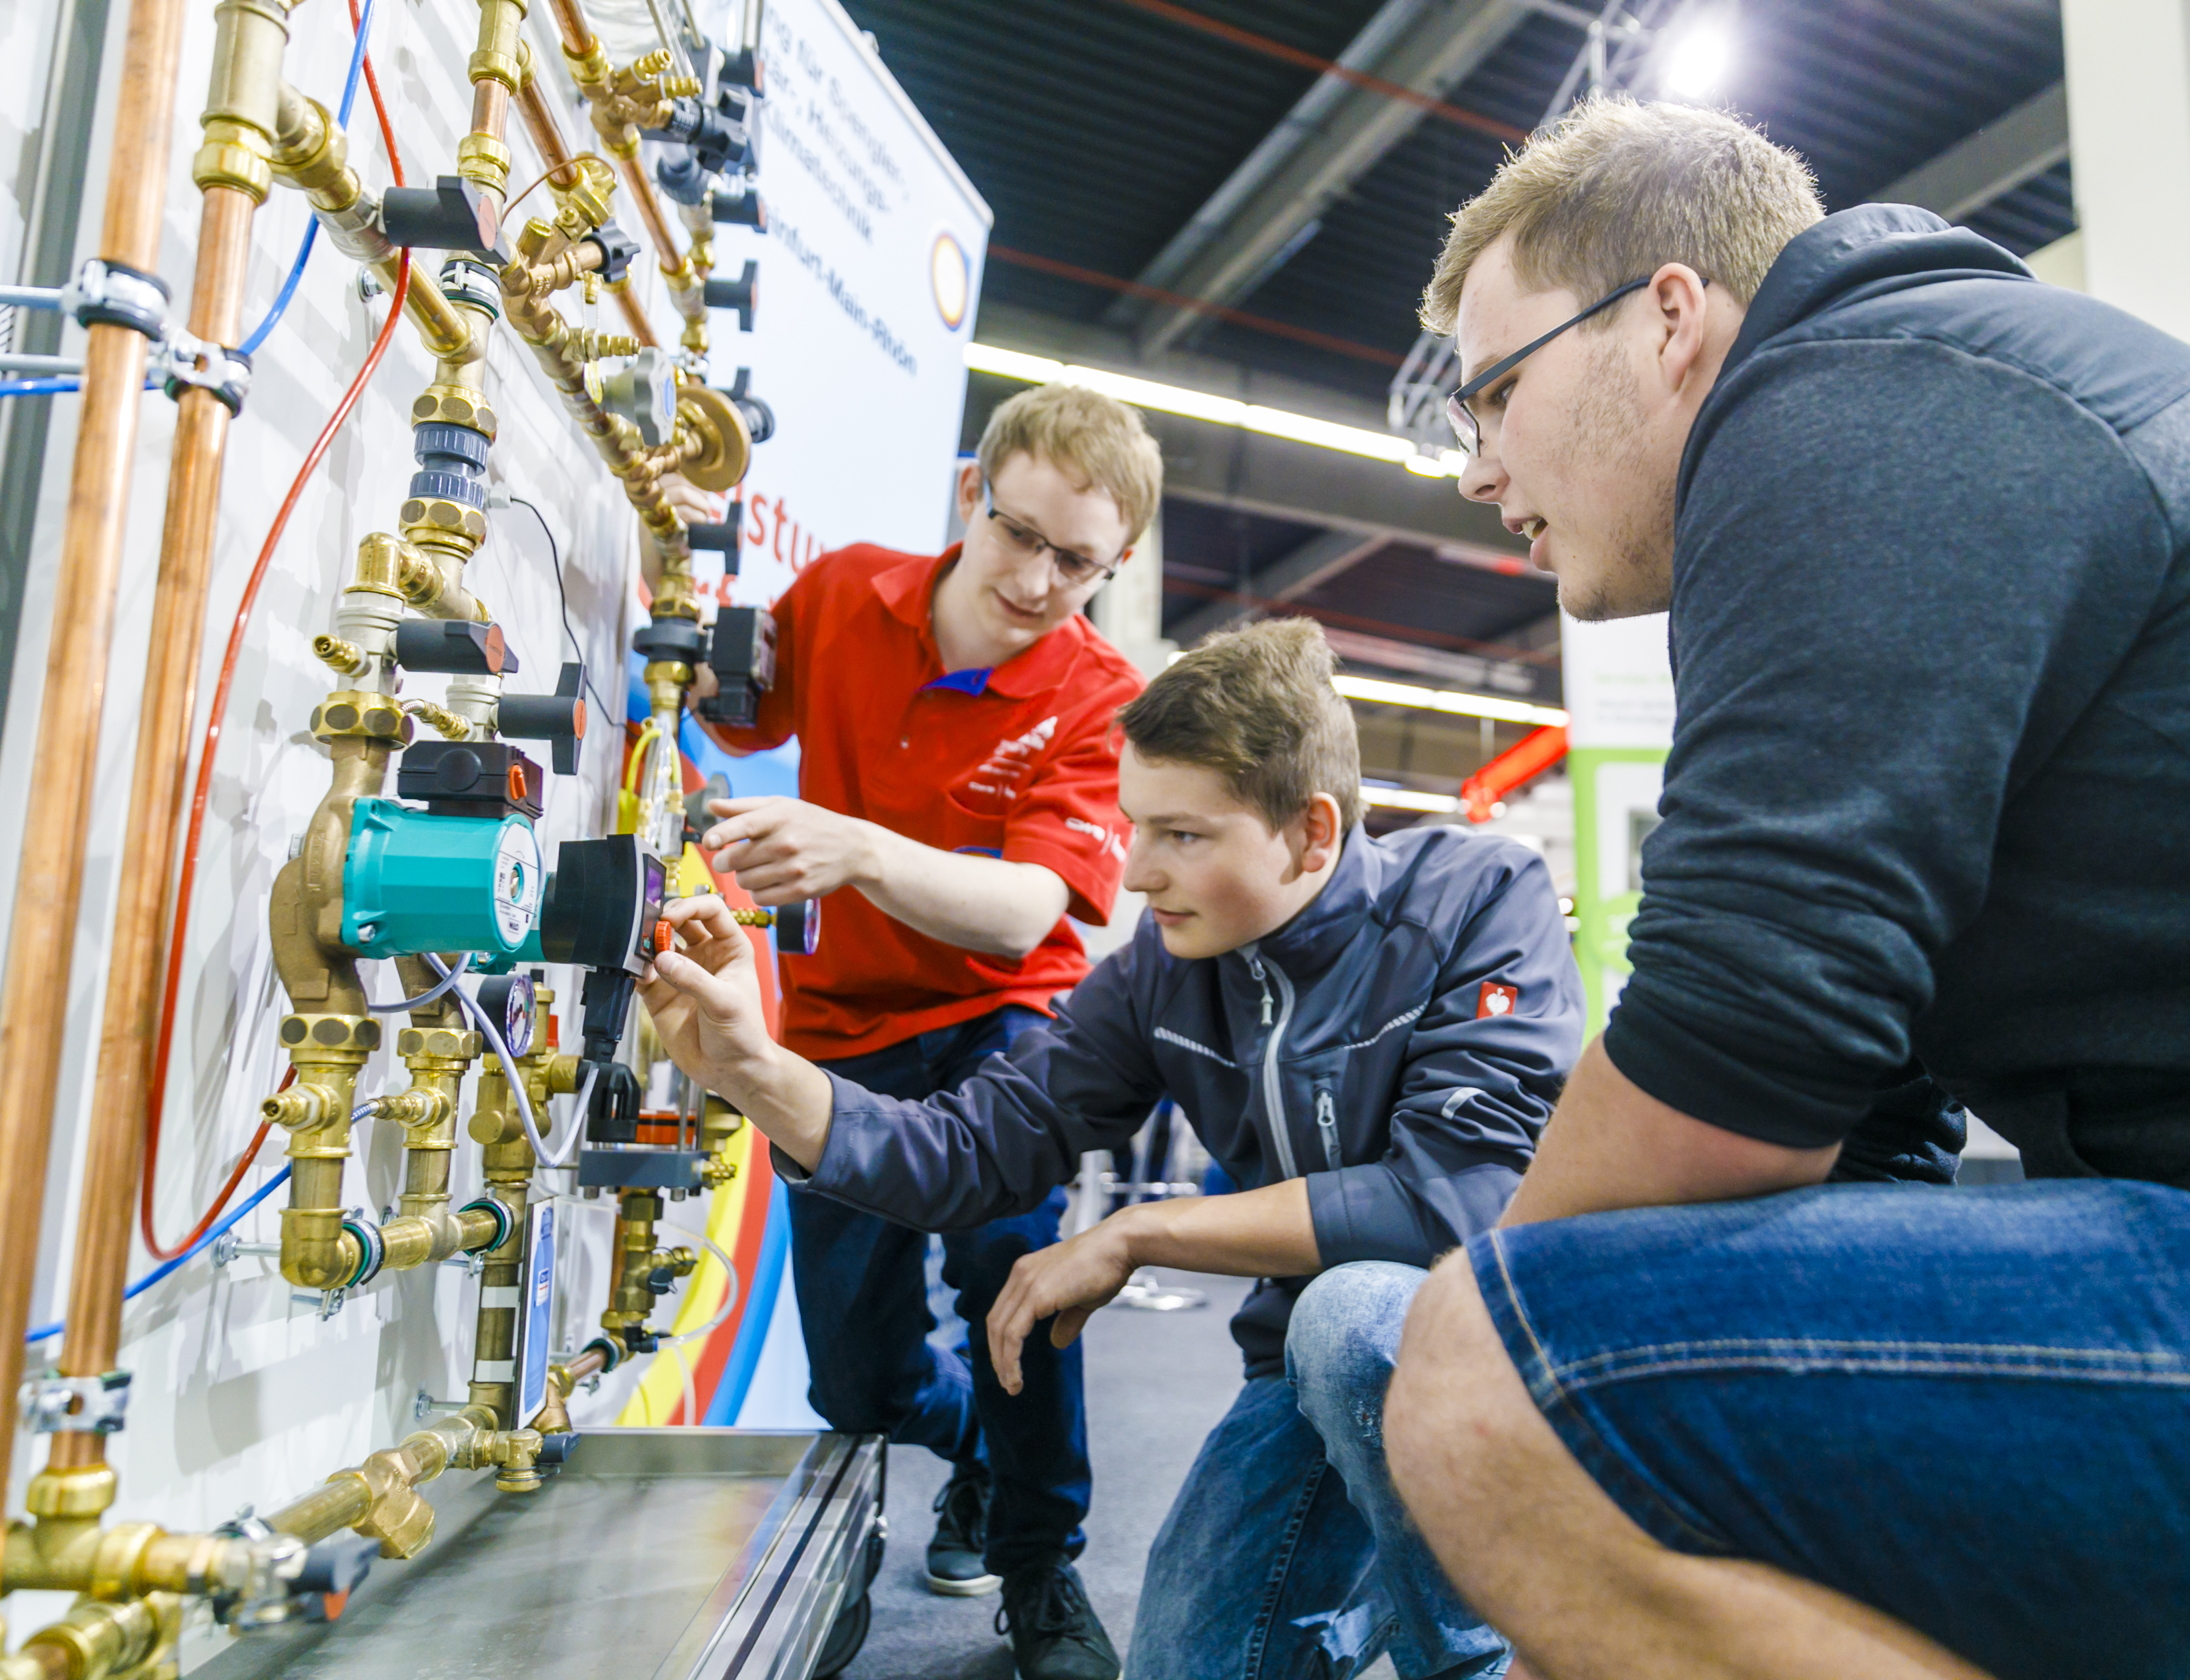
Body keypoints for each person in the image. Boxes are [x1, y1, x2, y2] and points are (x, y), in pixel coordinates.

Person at [1377, 94, 2190, 1680]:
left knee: (1477, 1375)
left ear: (1669, 317)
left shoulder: (1849, 408)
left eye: (1497, 394)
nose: (1479, 469)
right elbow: (1866, 1113)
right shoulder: (1935, 401)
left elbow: (1735, 1064)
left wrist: (1540, 1401)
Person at [645, 620, 1587, 1680]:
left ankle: (1494, 1652)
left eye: (1182, 836)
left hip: (1499, 1349)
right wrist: (753, 1071)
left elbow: (1451, 1207)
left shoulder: (1478, 898)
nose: (1135, 873)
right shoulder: (1163, 974)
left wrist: (1140, 1233)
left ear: (1311, 834)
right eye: (1134, 826)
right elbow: (975, 1151)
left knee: (1348, 1313)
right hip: (1303, 1374)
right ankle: (1372, 1583)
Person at [683, 383, 1157, 1671]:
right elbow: (740, 712)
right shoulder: (843, 594)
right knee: (858, 1383)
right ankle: (977, 1452)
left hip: (1003, 1018)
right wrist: (673, 565)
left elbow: (1021, 914)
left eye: (1081, 564)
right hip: (841, 1027)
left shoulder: (1101, 694)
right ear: (971, 497)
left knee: (1014, 1268)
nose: (1042, 579)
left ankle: (1041, 1565)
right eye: (1022, 536)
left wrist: (855, 848)